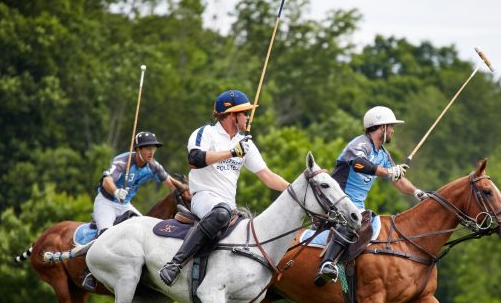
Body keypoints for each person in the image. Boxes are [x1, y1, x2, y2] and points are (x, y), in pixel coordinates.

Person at [158, 89, 290, 286]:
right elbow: (194, 160)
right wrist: (231, 153)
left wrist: (294, 189)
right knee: (221, 213)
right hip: (203, 198)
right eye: (244, 112)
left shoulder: (245, 144)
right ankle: (175, 264)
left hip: (229, 206)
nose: (248, 117)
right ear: (231, 114)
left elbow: (267, 176)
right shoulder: (206, 133)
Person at [314, 105, 427, 286]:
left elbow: (397, 179)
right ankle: (326, 264)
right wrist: (388, 171)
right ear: (381, 128)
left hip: (357, 205)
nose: (392, 131)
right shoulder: (360, 144)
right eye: (391, 127)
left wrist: (417, 192)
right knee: (352, 221)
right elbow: (359, 164)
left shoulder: (383, 154)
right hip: (335, 201)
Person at [82, 131, 179, 290]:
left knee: (148, 233)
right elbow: (107, 180)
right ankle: (89, 273)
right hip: (107, 202)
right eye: (147, 148)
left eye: (153, 148)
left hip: (125, 204)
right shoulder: (123, 161)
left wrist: (186, 190)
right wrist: (116, 192)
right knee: (105, 234)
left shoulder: (153, 165)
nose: (151, 152)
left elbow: (170, 183)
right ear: (138, 149)